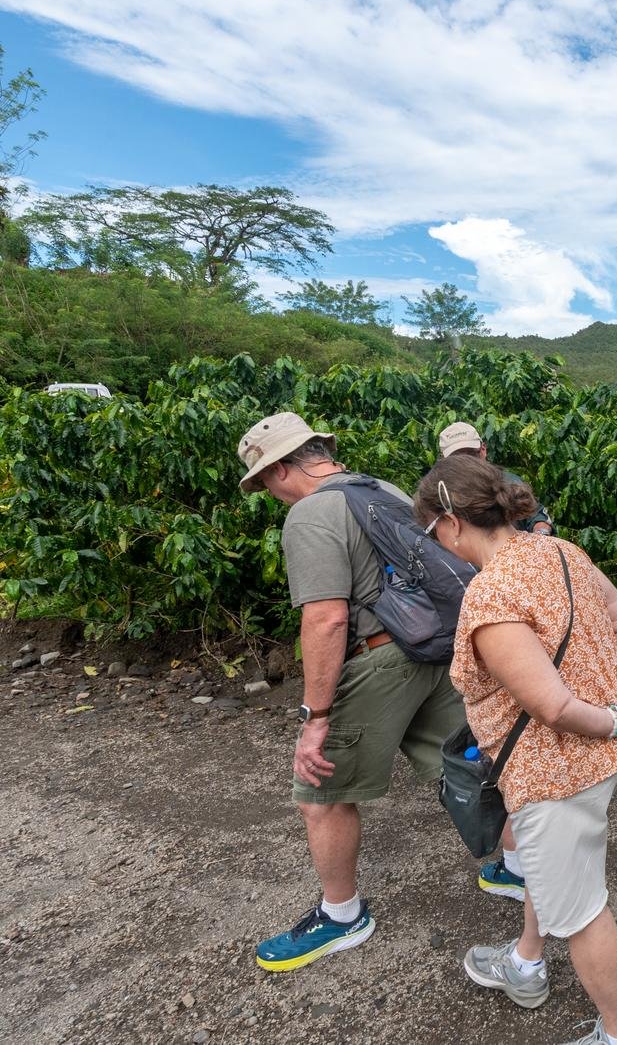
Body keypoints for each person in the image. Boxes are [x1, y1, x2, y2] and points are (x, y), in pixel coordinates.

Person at [414, 454, 617, 1045]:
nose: (433, 542)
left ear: (451, 523)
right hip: (601, 761)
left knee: (582, 913)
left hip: (555, 773)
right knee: (554, 863)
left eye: (429, 531)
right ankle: (527, 959)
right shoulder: (561, 551)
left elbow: (552, 708)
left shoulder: (490, 597)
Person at [236, 412, 464, 970]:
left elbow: (326, 620)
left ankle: (342, 916)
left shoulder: (311, 514)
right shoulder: (382, 489)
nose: (269, 493)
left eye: (265, 480)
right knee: (467, 766)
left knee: (323, 792)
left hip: (379, 659)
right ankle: (513, 866)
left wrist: (316, 716)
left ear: (285, 467)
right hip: (436, 648)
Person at [438, 419, 555, 903]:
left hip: (515, 616)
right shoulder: (441, 501)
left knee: (512, 738)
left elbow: (542, 528)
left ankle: (528, 867)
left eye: (471, 453)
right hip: (492, 618)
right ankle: (520, 864)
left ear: (483, 450)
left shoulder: (504, 490)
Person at [439, 421, 555, 534]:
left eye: (471, 455)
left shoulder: (510, 483)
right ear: (445, 461)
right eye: (458, 459)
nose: (468, 463)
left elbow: (537, 516)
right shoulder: (440, 496)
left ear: (483, 450)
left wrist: (540, 535)